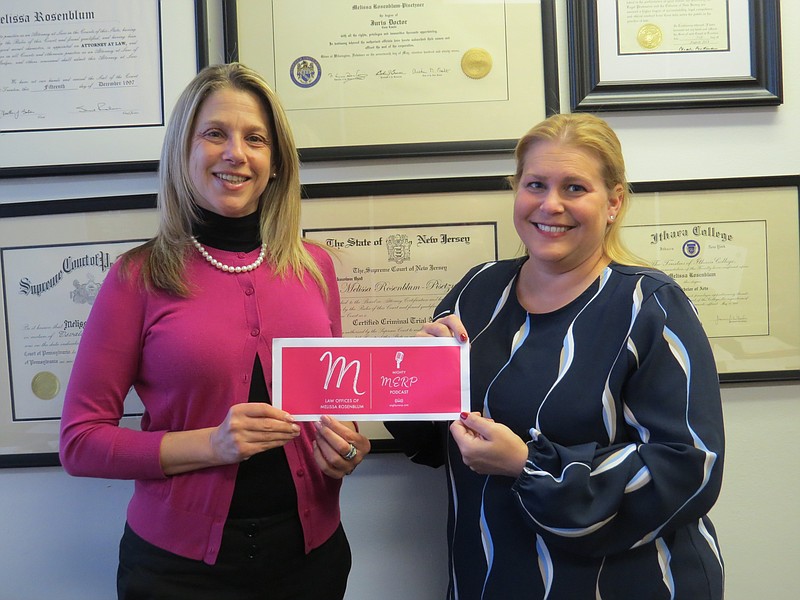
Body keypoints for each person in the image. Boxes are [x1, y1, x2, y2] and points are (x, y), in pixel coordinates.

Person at [59, 62, 370, 600]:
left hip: (310, 560)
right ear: (184, 151)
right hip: (176, 573)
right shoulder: (138, 277)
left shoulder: (315, 268)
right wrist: (212, 445)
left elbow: (332, 408)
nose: (236, 153)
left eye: (255, 139)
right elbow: (80, 443)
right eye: (214, 134)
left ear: (276, 163)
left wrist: (346, 449)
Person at [387, 113, 725, 599]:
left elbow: (691, 465)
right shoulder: (477, 292)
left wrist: (528, 465)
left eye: (574, 188)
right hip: (492, 577)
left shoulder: (650, 305)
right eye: (535, 184)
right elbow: (430, 441)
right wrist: (416, 373)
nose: (550, 204)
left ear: (613, 202)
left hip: (625, 582)